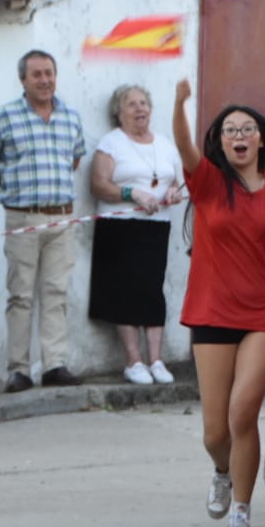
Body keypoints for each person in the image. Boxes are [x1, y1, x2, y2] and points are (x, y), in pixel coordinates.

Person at [173, 79, 265, 527]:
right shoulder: (209, 182)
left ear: (259, 139)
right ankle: (221, 470)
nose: (239, 135)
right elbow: (185, 145)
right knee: (216, 432)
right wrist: (179, 105)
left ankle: (242, 510)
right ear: (222, 140)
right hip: (213, 311)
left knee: (242, 413)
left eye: (247, 128)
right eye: (230, 129)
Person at [0, 50, 86, 393]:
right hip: (23, 216)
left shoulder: (70, 116)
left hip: (61, 218)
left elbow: (75, 160)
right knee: (21, 294)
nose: (44, 80)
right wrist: (11, 185)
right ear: (23, 79)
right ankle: (18, 369)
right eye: (36, 74)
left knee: (56, 292)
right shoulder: (4, 117)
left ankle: (55, 364)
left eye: (49, 73)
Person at [88, 85, 184, 385]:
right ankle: (133, 360)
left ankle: (156, 359)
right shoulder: (111, 143)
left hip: (156, 225)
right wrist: (132, 193)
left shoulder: (166, 144)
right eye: (132, 104)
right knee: (124, 290)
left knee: (152, 290)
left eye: (144, 103)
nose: (140, 109)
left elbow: (181, 183)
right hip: (120, 225)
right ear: (119, 111)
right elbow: (99, 185)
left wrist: (172, 192)